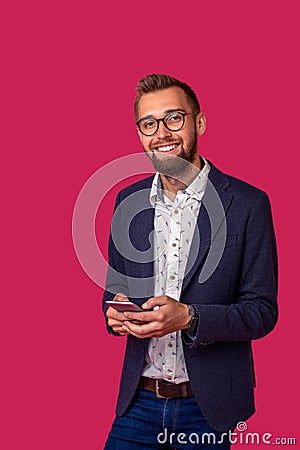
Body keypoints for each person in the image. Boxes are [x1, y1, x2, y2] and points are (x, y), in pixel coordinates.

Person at [102, 74, 278, 449]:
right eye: (149, 123)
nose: (161, 132)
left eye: (174, 118)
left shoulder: (247, 204)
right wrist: (114, 315)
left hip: (209, 408)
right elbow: (115, 292)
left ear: (199, 122)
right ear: (140, 133)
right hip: (138, 402)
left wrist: (190, 318)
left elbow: (262, 311)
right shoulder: (126, 202)